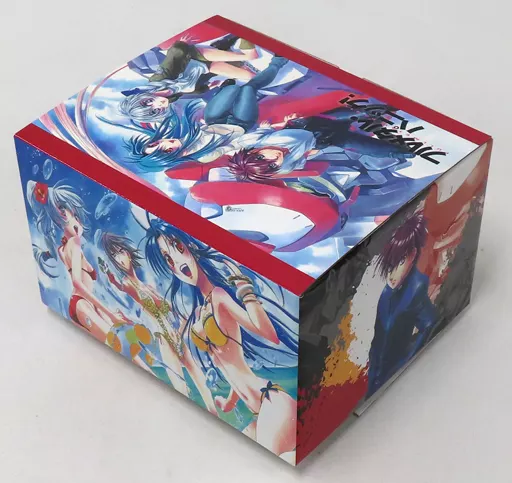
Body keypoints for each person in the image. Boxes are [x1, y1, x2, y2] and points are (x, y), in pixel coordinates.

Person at [144, 219, 299, 461]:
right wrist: (228, 403)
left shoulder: (219, 296)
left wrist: (244, 288)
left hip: (271, 401)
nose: (177, 262)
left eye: (177, 247)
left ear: (190, 246)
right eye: (167, 260)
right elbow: (228, 365)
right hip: (258, 409)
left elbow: (269, 334)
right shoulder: (199, 311)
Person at [99, 232, 217, 413]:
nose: (120, 258)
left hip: (175, 334)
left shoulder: (147, 286)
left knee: (199, 379)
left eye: (121, 251)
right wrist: (110, 276)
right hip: (163, 338)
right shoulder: (127, 283)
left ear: (128, 253)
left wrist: (184, 323)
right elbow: (119, 286)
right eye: (115, 255)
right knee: (179, 385)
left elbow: (170, 309)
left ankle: (212, 410)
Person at [27, 181, 124, 342]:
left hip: (82, 305)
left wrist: (104, 314)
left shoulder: (62, 248)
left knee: (118, 339)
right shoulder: (75, 243)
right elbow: (78, 283)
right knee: (118, 342)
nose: (78, 223)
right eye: (72, 216)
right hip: (82, 304)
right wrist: (110, 315)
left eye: (77, 217)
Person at [367, 212, 437, 398]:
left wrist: (407, 358)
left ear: (412, 255)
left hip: (393, 378)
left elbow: (430, 322)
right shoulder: (390, 287)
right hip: (375, 372)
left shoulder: (416, 289)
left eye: (399, 262)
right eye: (390, 263)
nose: (391, 273)